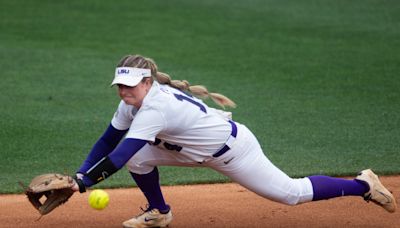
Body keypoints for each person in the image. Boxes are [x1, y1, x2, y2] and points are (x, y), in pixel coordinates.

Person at [71, 54, 396, 228]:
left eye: (130, 86)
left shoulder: (156, 108)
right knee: (137, 158)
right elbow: (108, 141)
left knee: (291, 194)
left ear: (147, 81)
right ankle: (159, 212)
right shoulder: (131, 102)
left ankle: (363, 185)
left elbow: (119, 152)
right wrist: (80, 174)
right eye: (120, 86)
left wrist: (84, 183)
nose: (124, 92)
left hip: (233, 151)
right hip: (187, 151)